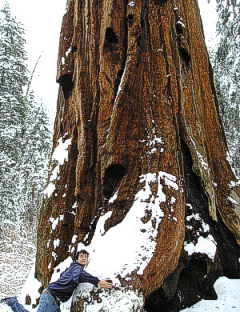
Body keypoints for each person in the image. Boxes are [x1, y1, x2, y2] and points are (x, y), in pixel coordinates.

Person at [0, 249, 112, 312]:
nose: (83, 258)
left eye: (85, 257)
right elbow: (80, 275)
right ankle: (12, 302)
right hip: (50, 298)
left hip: (54, 300)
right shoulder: (77, 268)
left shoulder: (72, 269)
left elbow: (70, 276)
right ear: (76, 259)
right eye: (81, 256)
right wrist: (98, 282)